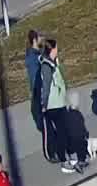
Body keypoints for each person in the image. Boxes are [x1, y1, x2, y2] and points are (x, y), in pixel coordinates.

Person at [37, 39, 90, 173]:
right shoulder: (46, 67)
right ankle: (64, 161)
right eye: (56, 48)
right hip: (53, 106)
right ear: (52, 50)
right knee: (61, 134)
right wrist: (44, 105)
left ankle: (70, 156)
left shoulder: (52, 63)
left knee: (65, 132)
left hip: (59, 103)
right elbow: (46, 87)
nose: (57, 50)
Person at [23, 29, 46, 150]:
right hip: (40, 91)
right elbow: (36, 76)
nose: (42, 39)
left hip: (40, 90)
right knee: (43, 119)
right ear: (34, 40)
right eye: (40, 37)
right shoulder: (34, 57)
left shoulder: (36, 54)